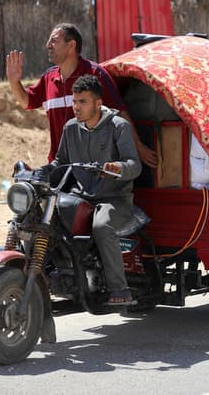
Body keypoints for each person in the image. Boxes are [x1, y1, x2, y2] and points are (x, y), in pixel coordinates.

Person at [42, 75, 142, 306]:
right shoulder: (70, 128)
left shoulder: (118, 126)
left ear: (98, 103)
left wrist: (117, 168)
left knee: (101, 225)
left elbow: (134, 165)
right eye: (75, 101)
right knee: (43, 218)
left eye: (83, 102)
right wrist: (42, 171)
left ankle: (120, 288)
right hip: (79, 197)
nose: (76, 107)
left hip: (114, 200)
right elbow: (60, 162)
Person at [6, 23, 157, 167]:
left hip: (91, 169)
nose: (48, 45)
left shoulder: (95, 73)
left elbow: (120, 113)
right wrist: (14, 81)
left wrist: (138, 147)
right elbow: (27, 102)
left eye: (54, 41)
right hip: (59, 167)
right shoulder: (48, 78)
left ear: (71, 45)